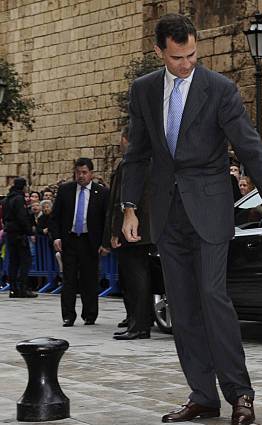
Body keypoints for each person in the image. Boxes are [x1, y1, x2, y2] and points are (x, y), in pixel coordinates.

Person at [120, 14, 262, 425]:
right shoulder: (144, 90)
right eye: (178, 57)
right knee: (181, 306)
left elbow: (251, 148)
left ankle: (240, 393)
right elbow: (137, 153)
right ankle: (202, 395)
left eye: (193, 54)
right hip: (166, 214)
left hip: (210, 211)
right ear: (159, 50)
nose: (187, 63)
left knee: (213, 299)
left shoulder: (219, 89)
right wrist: (129, 206)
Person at [103, 128, 154, 340]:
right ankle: (141, 322)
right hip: (148, 230)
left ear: (126, 140)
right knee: (142, 277)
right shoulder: (153, 162)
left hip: (130, 230)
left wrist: (113, 232)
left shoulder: (129, 164)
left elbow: (119, 200)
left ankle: (138, 325)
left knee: (135, 280)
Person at [49, 157, 110, 327]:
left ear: (91, 173)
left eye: (84, 172)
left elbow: (107, 220)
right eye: (78, 172)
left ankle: (90, 314)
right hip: (69, 241)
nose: (81, 176)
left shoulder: (102, 193)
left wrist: (105, 243)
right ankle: (68, 315)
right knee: (68, 279)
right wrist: (57, 237)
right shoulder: (65, 190)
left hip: (90, 242)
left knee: (89, 279)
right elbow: (55, 217)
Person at [2, 177, 37, 298]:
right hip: (19, 234)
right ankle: (23, 288)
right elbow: (22, 218)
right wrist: (30, 232)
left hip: (10, 233)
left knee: (13, 262)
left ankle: (13, 289)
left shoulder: (7, 199)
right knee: (25, 261)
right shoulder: (19, 199)